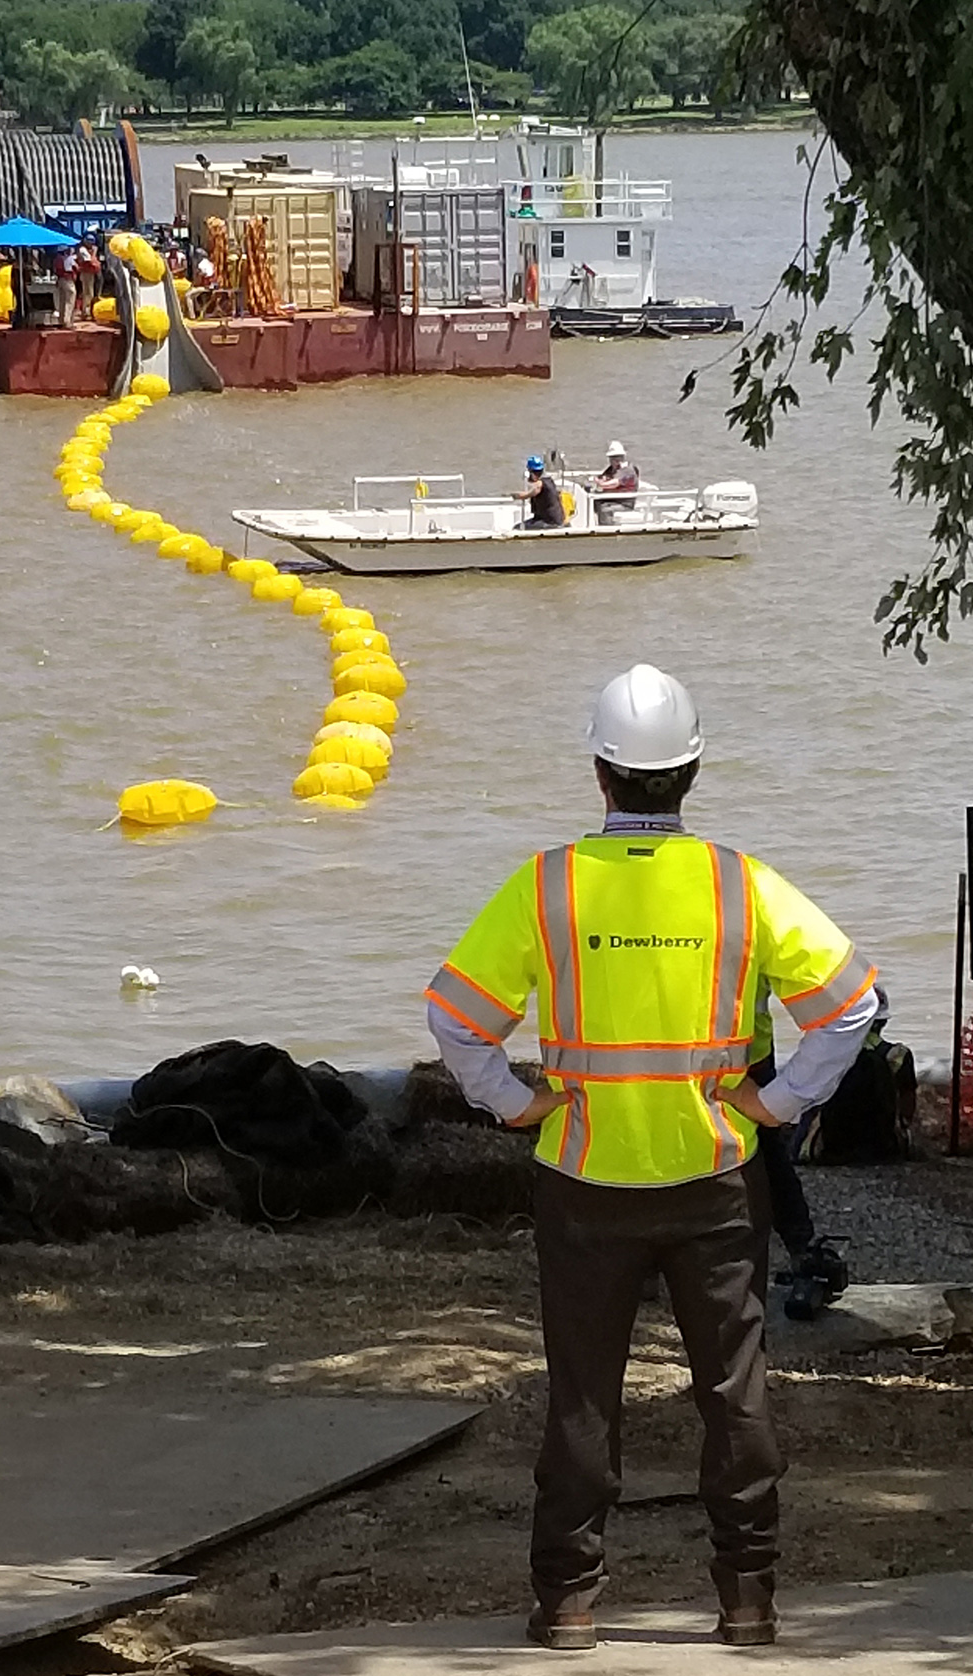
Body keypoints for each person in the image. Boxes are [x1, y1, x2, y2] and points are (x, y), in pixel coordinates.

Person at [425, 664, 880, 1651]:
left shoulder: (545, 886)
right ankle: (749, 1604)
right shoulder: (738, 883)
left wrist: (512, 1101)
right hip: (718, 1180)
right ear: (692, 772)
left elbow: (453, 1019)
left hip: (582, 1182)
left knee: (584, 1397)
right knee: (735, 1393)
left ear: (601, 775)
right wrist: (781, 1102)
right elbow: (853, 1007)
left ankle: (568, 1607)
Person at [592, 440, 640, 524]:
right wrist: (600, 480)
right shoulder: (611, 469)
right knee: (594, 503)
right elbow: (603, 477)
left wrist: (601, 484)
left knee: (605, 509)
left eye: (618, 457)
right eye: (613, 457)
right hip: (612, 499)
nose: (616, 460)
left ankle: (607, 530)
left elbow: (613, 483)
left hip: (624, 503)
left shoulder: (627, 471)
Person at [516, 456, 565, 530]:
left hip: (550, 522)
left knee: (517, 528)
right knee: (525, 524)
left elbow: (526, 495)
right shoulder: (549, 481)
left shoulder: (540, 484)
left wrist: (515, 495)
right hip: (555, 520)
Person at [74, 235, 100, 319]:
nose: (91, 244)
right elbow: (90, 261)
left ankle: (88, 311)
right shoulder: (83, 250)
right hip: (86, 274)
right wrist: (94, 252)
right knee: (87, 293)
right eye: (89, 242)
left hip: (91, 273)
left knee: (91, 293)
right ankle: (85, 312)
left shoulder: (89, 250)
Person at [53, 246, 79, 327]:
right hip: (68, 280)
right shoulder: (69, 259)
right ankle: (67, 321)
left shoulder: (57, 259)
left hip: (60, 280)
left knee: (62, 301)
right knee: (70, 300)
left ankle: (61, 320)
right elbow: (76, 268)